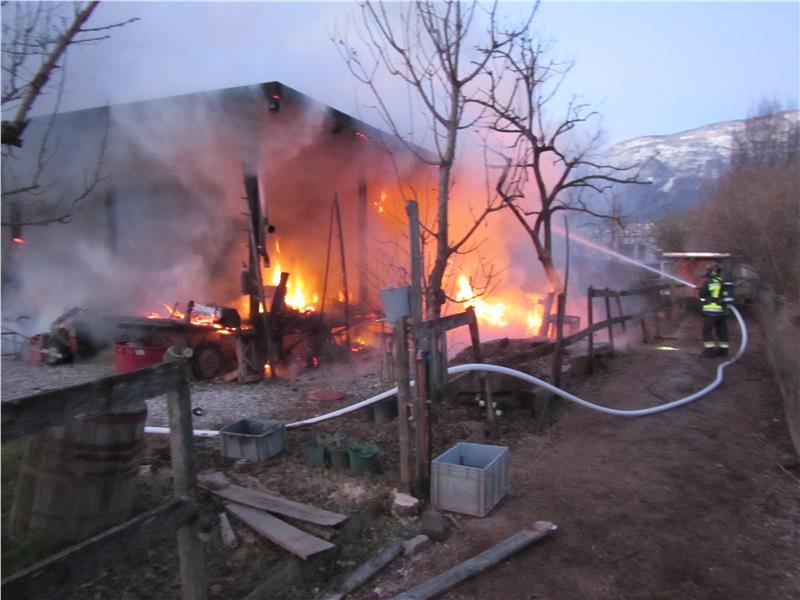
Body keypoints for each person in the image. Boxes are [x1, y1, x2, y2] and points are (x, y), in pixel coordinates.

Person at [698, 263, 731, 357]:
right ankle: (723, 351)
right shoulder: (723, 281)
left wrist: (702, 299)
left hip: (711, 312)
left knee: (707, 331)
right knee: (722, 332)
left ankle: (710, 351)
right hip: (722, 312)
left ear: (711, 271)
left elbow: (702, 295)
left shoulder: (708, 282)